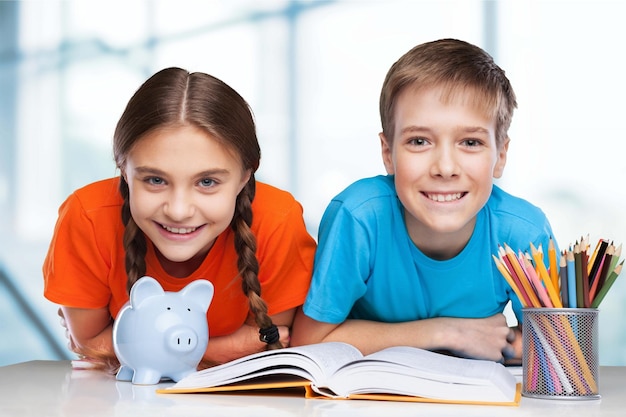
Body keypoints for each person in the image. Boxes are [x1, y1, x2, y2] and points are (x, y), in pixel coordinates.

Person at [291, 38, 556, 364]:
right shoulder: (360, 217)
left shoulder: (523, 233)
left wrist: (508, 344)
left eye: (470, 142)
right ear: (388, 154)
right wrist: (446, 333)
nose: (445, 168)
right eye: (419, 141)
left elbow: (559, 346)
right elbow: (308, 342)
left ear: (500, 156)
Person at [43, 67, 316, 371]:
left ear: (245, 175)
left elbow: (271, 346)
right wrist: (219, 350)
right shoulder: (88, 216)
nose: (178, 210)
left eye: (208, 182)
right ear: (123, 167)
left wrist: (122, 349)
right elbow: (90, 342)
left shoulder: (277, 219)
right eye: (155, 180)